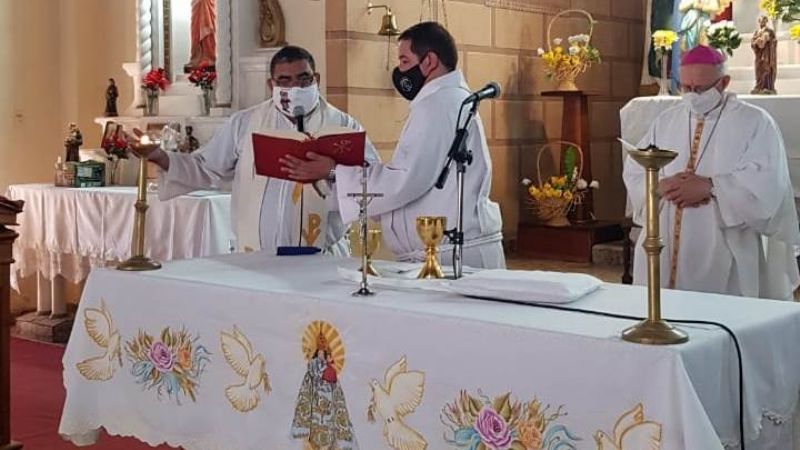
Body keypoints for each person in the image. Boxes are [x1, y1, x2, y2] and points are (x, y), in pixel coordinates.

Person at [282, 22, 505, 269]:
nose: (399, 70)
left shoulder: (437, 106)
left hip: (448, 252)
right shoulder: (448, 101)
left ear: (429, 61)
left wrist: (333, 171)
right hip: (446, 249)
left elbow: (405, 180)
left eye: (405, 61)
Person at [139, 46, 377, 254]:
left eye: (303, 79)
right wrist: (159, 156)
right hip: (256, 254)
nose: (294, 87)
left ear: (316, 79)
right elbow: (206, 167)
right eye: (284, 81)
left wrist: (332, 171)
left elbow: (373, 181)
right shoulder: (245, 124)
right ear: (270, 84)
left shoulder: (344, 126)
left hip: (322, 255)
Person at [623, 45, 800, 300]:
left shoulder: (755, 122)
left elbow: (768, 181)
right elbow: (637, 166)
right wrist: (659, 184)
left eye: (701, 89)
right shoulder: (666, 120)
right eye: (686, 88)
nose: (693, 95)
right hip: (665, 240)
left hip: (726, 243)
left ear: (724, 82)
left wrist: (711, 187)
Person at [186, 0, 217, 71]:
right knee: (195, 31)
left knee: (207, 29)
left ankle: (209, 57)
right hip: (196, 5)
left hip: (207, 3)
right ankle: (196, 57)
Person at [751, 15, 777, 95]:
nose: (762, 22)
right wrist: (756, 42)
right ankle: (759, 86)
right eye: (761, 20)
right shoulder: (756, 32)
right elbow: (753, 42)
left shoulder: (770, 31)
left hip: (767, 55)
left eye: (764, 20)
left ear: (766, 21)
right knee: (759, 69)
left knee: (766, 69)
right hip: (759, 55)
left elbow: (774, 41)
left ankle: (768, 87)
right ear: (759, 21)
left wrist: (767, 40)